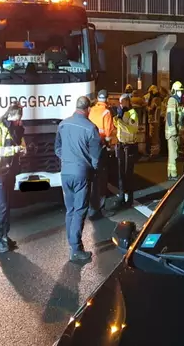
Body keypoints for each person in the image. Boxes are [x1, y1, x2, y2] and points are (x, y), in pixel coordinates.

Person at [54, 96, 103, 262]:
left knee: (70, 209)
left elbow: (57, 148)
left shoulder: (63, 124)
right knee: (80, 210)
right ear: (88, 109)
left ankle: (72, 244)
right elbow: (96, 157)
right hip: (81, 173)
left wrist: (66, 160)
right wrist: (93, 169)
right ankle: (75, 249)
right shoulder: (91, 128)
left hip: (65, 172)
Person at [0, 103, 26, 254]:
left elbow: (21, 145)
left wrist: (22, 150)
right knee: (1, 206)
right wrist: (14, 150)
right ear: (11, 115)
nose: (19, 120)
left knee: (7, 205)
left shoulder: (16, 130)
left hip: (9, 172)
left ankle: (4, 236)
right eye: (18, 117)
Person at [88, 89, 116, 218]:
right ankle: (100, 208)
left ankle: (92, 207)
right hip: (101, 147)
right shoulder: (106, 112)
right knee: (102, 179)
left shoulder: (92, 110)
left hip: (90, 147)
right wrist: (110, 145)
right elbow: (109, 133)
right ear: (107, 99)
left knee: (92, 178)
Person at [113, 93, 139, 207]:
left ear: (128, 101)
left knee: (129, 174)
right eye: (120, 102)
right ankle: (122, 196)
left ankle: (130, 199)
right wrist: (116, 118)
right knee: (120, 174)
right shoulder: (121, 113)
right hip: (121, 145)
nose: (121, 104)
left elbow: (132, 130)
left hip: (129, 146)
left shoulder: (133, 114)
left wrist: (120, 121)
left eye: (123, 101)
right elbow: (117, 126)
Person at [165, 81, 184, 181]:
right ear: (175, 91)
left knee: (172, 153)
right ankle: (173, 174)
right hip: (172, 133)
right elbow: (170, 117)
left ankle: (170, 173)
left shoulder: (175, 101)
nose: (181, 93)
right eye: (179, 91)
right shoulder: (172, 101)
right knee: (173, 154)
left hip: (173, 132)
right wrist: (173, 131)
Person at [143, 85, 163, 157]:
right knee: (155, 137)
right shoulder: (159, 99)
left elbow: (151, 109)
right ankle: (155, 152)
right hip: (156, 120)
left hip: (153, 121)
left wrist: (146, 106)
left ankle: (154, 153)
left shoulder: (155, 99)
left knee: (153, 137)